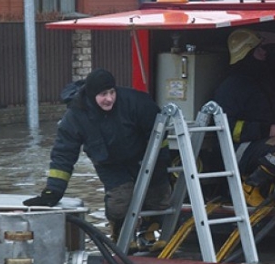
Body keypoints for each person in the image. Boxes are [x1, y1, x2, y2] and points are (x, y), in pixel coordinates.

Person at [23, 69, 170, 244]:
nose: (109, 99)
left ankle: (149, 230)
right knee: (120, 200)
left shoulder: (136, 102)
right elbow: (63, 155)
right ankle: (121, 235)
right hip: (108, 163)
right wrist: (52, 192)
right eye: (103, 94)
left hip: (142, 157)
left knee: (160, 196)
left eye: (112, 92)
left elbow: (160, 136)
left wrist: (160, 165)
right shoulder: (75, 117)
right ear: (92, 94)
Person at [213, 28, 275, 207]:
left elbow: (273, 113)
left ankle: (272, 191)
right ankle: (250, 187)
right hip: (237, 151)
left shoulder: (260, 82)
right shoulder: (232, 87)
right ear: (247, 54)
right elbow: (224, 128)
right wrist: (265, 130)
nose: (264, 52)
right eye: (258, 49)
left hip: (257, 144)